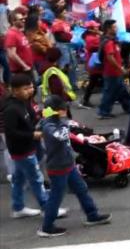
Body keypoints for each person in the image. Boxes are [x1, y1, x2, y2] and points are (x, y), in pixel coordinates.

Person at [38, 95, 112, 237]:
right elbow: (60, 135)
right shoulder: (49, 125)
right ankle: (46, 227)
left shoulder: (59, 121)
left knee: (81, 189)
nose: (65, 110)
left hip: (68, 164)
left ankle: (92, 215)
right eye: (61, 108)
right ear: (54, 111)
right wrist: (67, 124)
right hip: (58, 168)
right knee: (56, 197)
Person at [4, 73, 56, 219]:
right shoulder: (11, 109)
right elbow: (12, 133)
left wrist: (43, 117)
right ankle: (48, 209)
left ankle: (18, 207)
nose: (30, 90)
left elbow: (32, 118)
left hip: (28, 146)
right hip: (22, 150)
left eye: (32, 87)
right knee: (36, 179)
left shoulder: (25, 101)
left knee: (19, 179)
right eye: (26, 88)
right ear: (14, 90)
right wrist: (33, 135)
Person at [97, 20, 130, 121]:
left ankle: (129, 107)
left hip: (115, 72)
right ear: (108, 29)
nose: (116, 29)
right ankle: (103, 112)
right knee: (109, 93)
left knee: (121, 90)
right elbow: (110, 57)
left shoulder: (114, 41)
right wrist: (120, 68)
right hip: (111, 73)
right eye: (114, 27)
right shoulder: (108, 42)